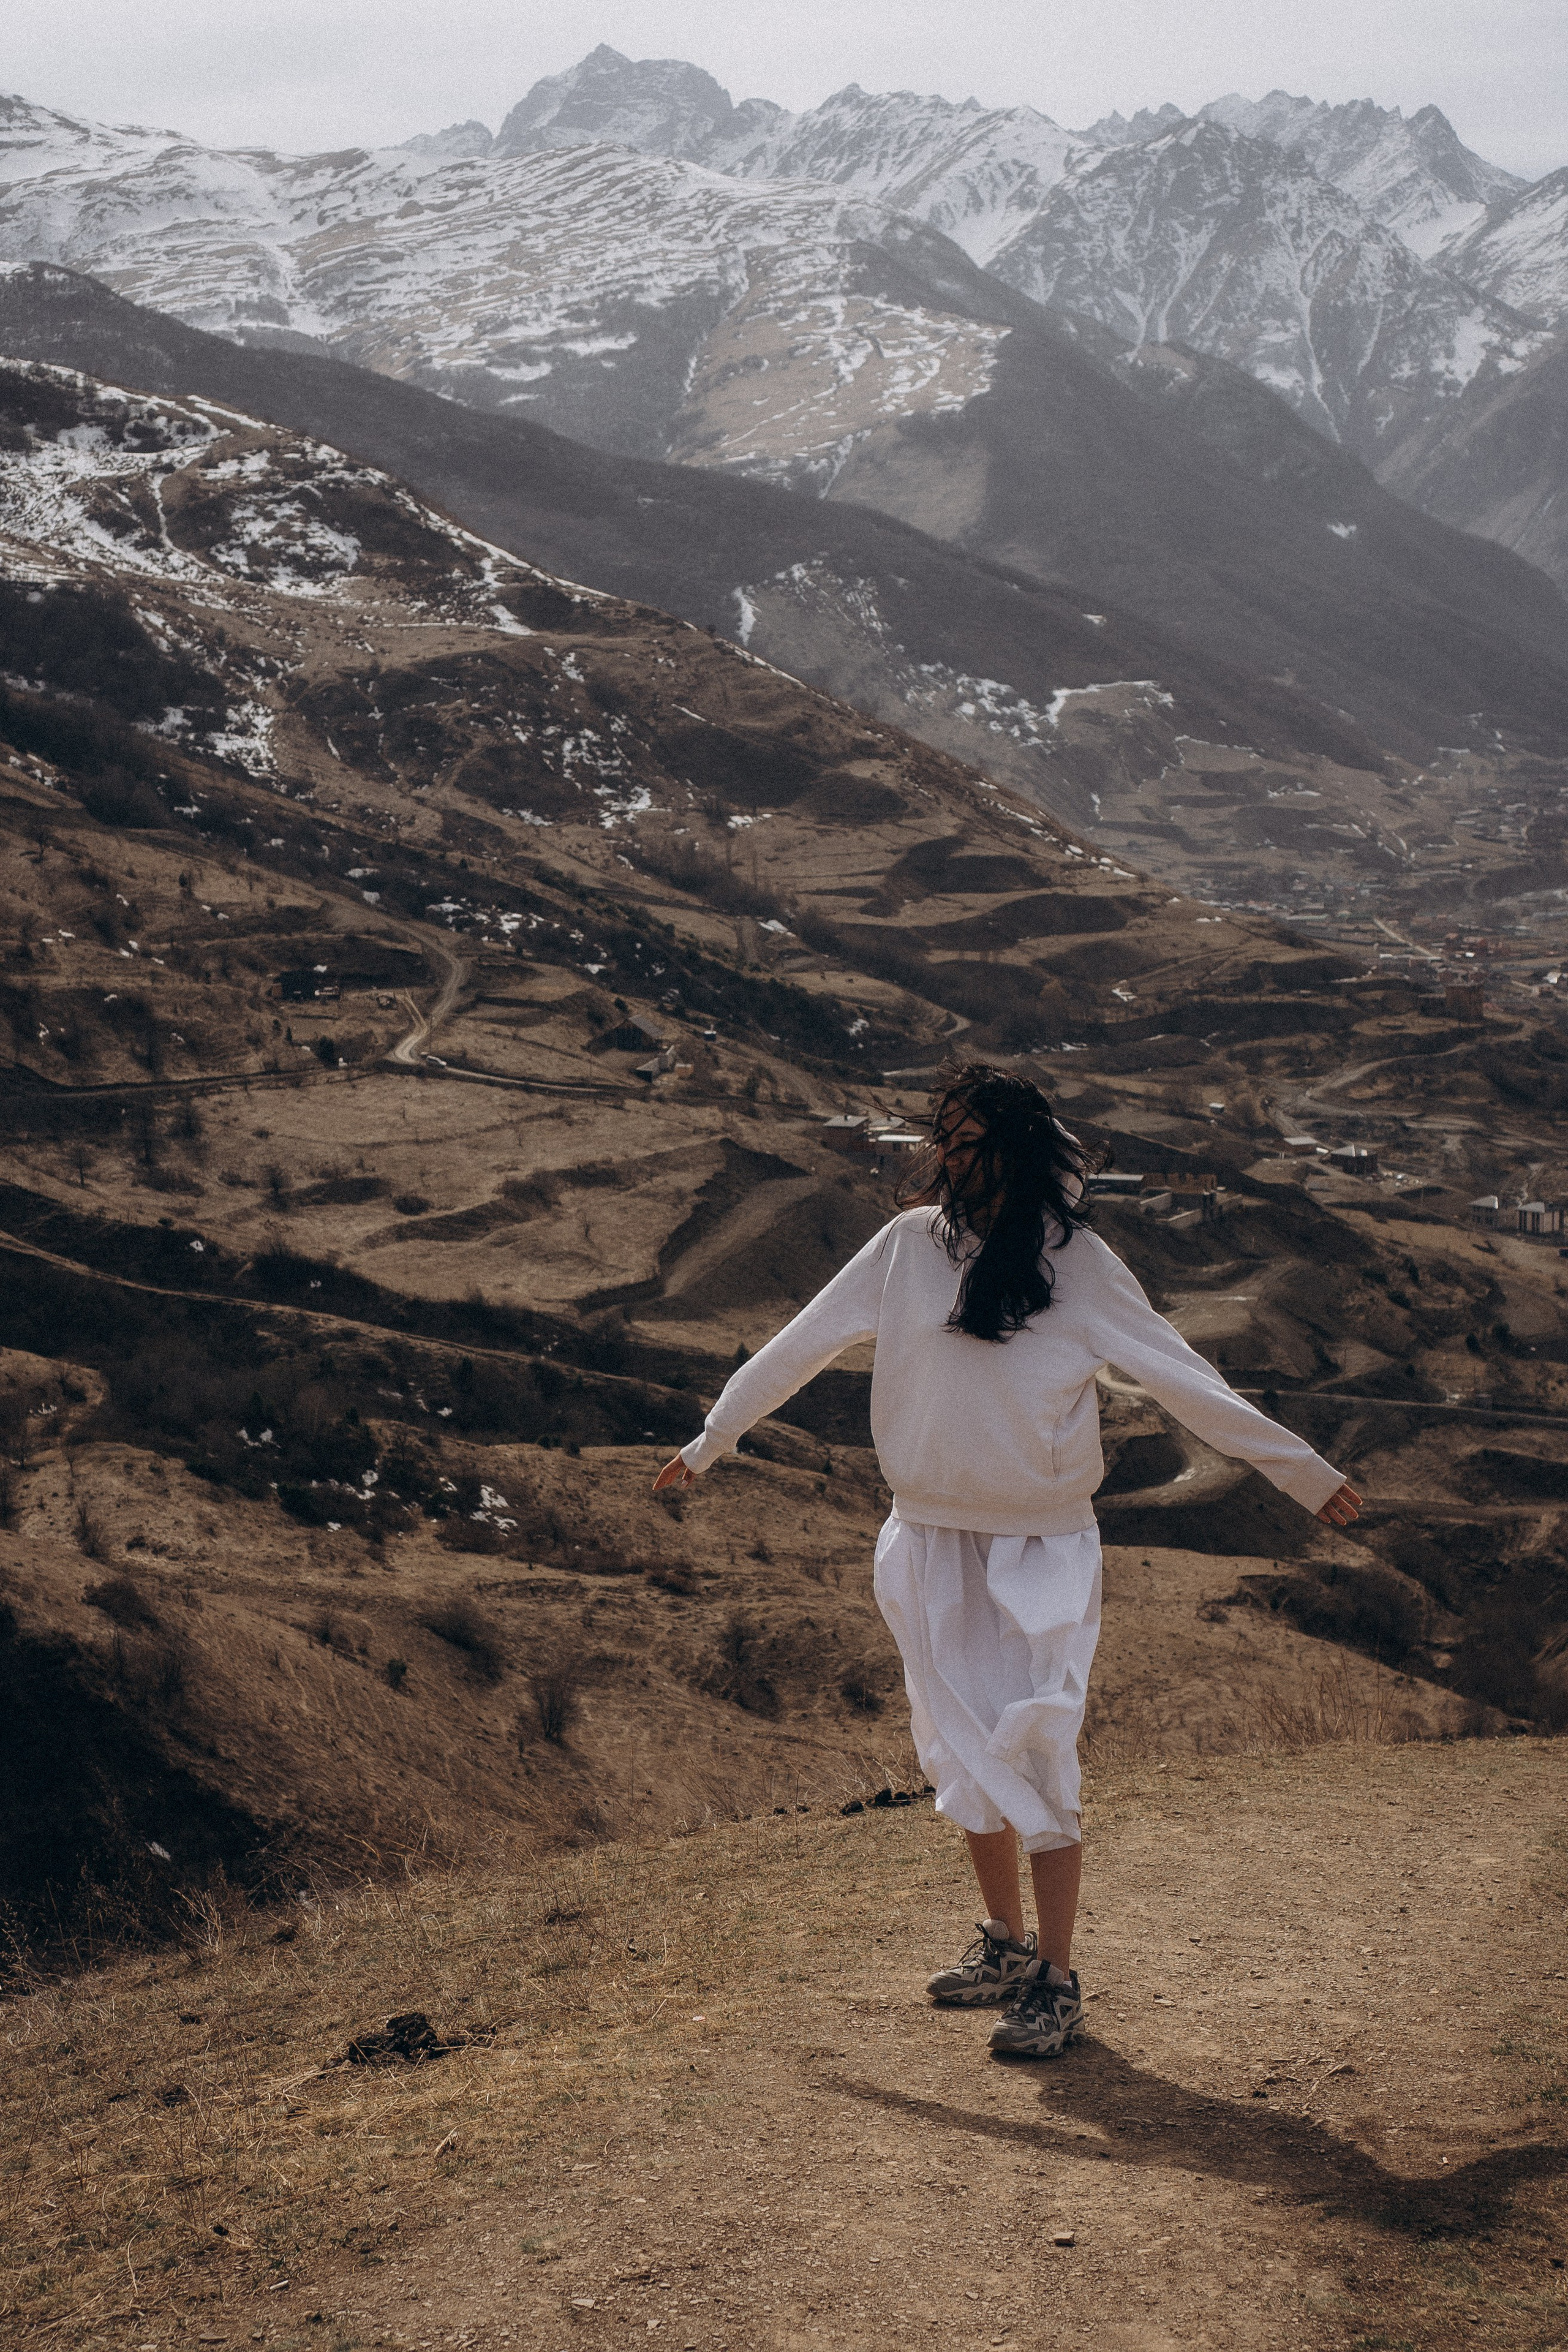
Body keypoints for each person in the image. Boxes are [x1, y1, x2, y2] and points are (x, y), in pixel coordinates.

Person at [653, 1063, 1360, 2059]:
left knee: (1036, 1742)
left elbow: (1183, 1379)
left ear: (1016, 1152)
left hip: (1041, 1544)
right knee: (956, 1745)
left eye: (966, 1138)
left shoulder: (1083, 1265)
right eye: (941, 1134)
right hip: (927, 1534)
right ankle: (1005, 1945)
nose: (944, 1155)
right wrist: (710, 1440)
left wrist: (1302, 1473)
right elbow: (799, 1343)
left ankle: (1059, 1981)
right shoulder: (906, 1247)